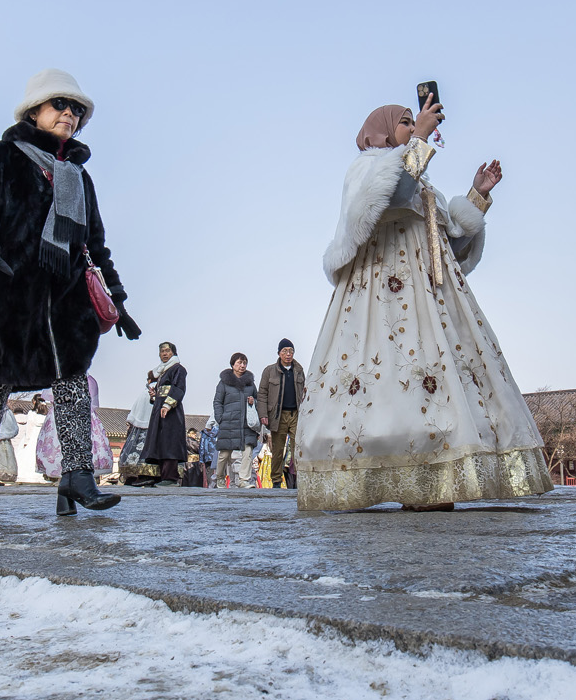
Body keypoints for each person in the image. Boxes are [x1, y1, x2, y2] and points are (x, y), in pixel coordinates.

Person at [298, 101, 551, 512]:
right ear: (381, 130)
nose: (412, 125)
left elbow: (450, 245)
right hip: (381, 289)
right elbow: (387, 195)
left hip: (430, 296)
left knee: (440, 377)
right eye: (404, 121)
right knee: (387, 376)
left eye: (412, 122)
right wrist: (418, 138)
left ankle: (434, 476)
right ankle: (383, 475)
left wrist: (477, 196)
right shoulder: (367, 167)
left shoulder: (422, 183)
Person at [0, 68, 139, 517]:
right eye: (60, 104)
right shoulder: (1, 155)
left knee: (73, 385)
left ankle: (77, 476)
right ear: (33, 110)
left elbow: (95, 243)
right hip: (8, 294)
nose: (69, 114)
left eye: (77, 109)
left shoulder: (78, 176)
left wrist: (118, 299)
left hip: (65, 301)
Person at [36, 375, 113, 481]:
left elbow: (52, 396)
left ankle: (69, 474)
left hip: (64, 411)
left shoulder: (61, 378)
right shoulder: (88, 380)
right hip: (78, 412)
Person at [256, 340, 306, 488]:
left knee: (298, 448)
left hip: (296, 414)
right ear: (279, 353)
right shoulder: (269, 371)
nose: (288, 354)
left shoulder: (299, 370)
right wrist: (263, 414)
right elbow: (262, 394)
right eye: (284, 351)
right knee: (278, 450)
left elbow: (305, 392)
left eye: (291, 351)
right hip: (278, 415)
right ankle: (276, 481)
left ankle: (299, 481)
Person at [142, 343, 190, 486]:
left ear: (173, 353)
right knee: (159, 441)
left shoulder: (178, 369)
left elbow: (179, 388)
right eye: (162, 351)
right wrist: (155, 395)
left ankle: (170, 477)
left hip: (171, 411)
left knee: (169, 441)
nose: (164, 353)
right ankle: (160, 475)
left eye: (167, 351)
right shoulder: (162, 372)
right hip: (159, 409)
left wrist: (168, 404)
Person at [209, 354, 260, 489]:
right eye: (239, 363)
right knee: (224, 454)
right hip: (228, 423)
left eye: (244, 363)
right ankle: (220, 476)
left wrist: (253, 402)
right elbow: (217, 402)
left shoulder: (250, 383)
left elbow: (258, 400)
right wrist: (220, 418)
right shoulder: (223, 383)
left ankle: (244, 480)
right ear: (233, 364)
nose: (242, 366)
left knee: (248, 452)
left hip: (246, 424)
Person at [13, 396, 49, 484]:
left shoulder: (32, 413)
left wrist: (26, 441)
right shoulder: (47, 414)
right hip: (44, 435)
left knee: (29, 454)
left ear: (34, 402)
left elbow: (29, 427)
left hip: (33, 434)